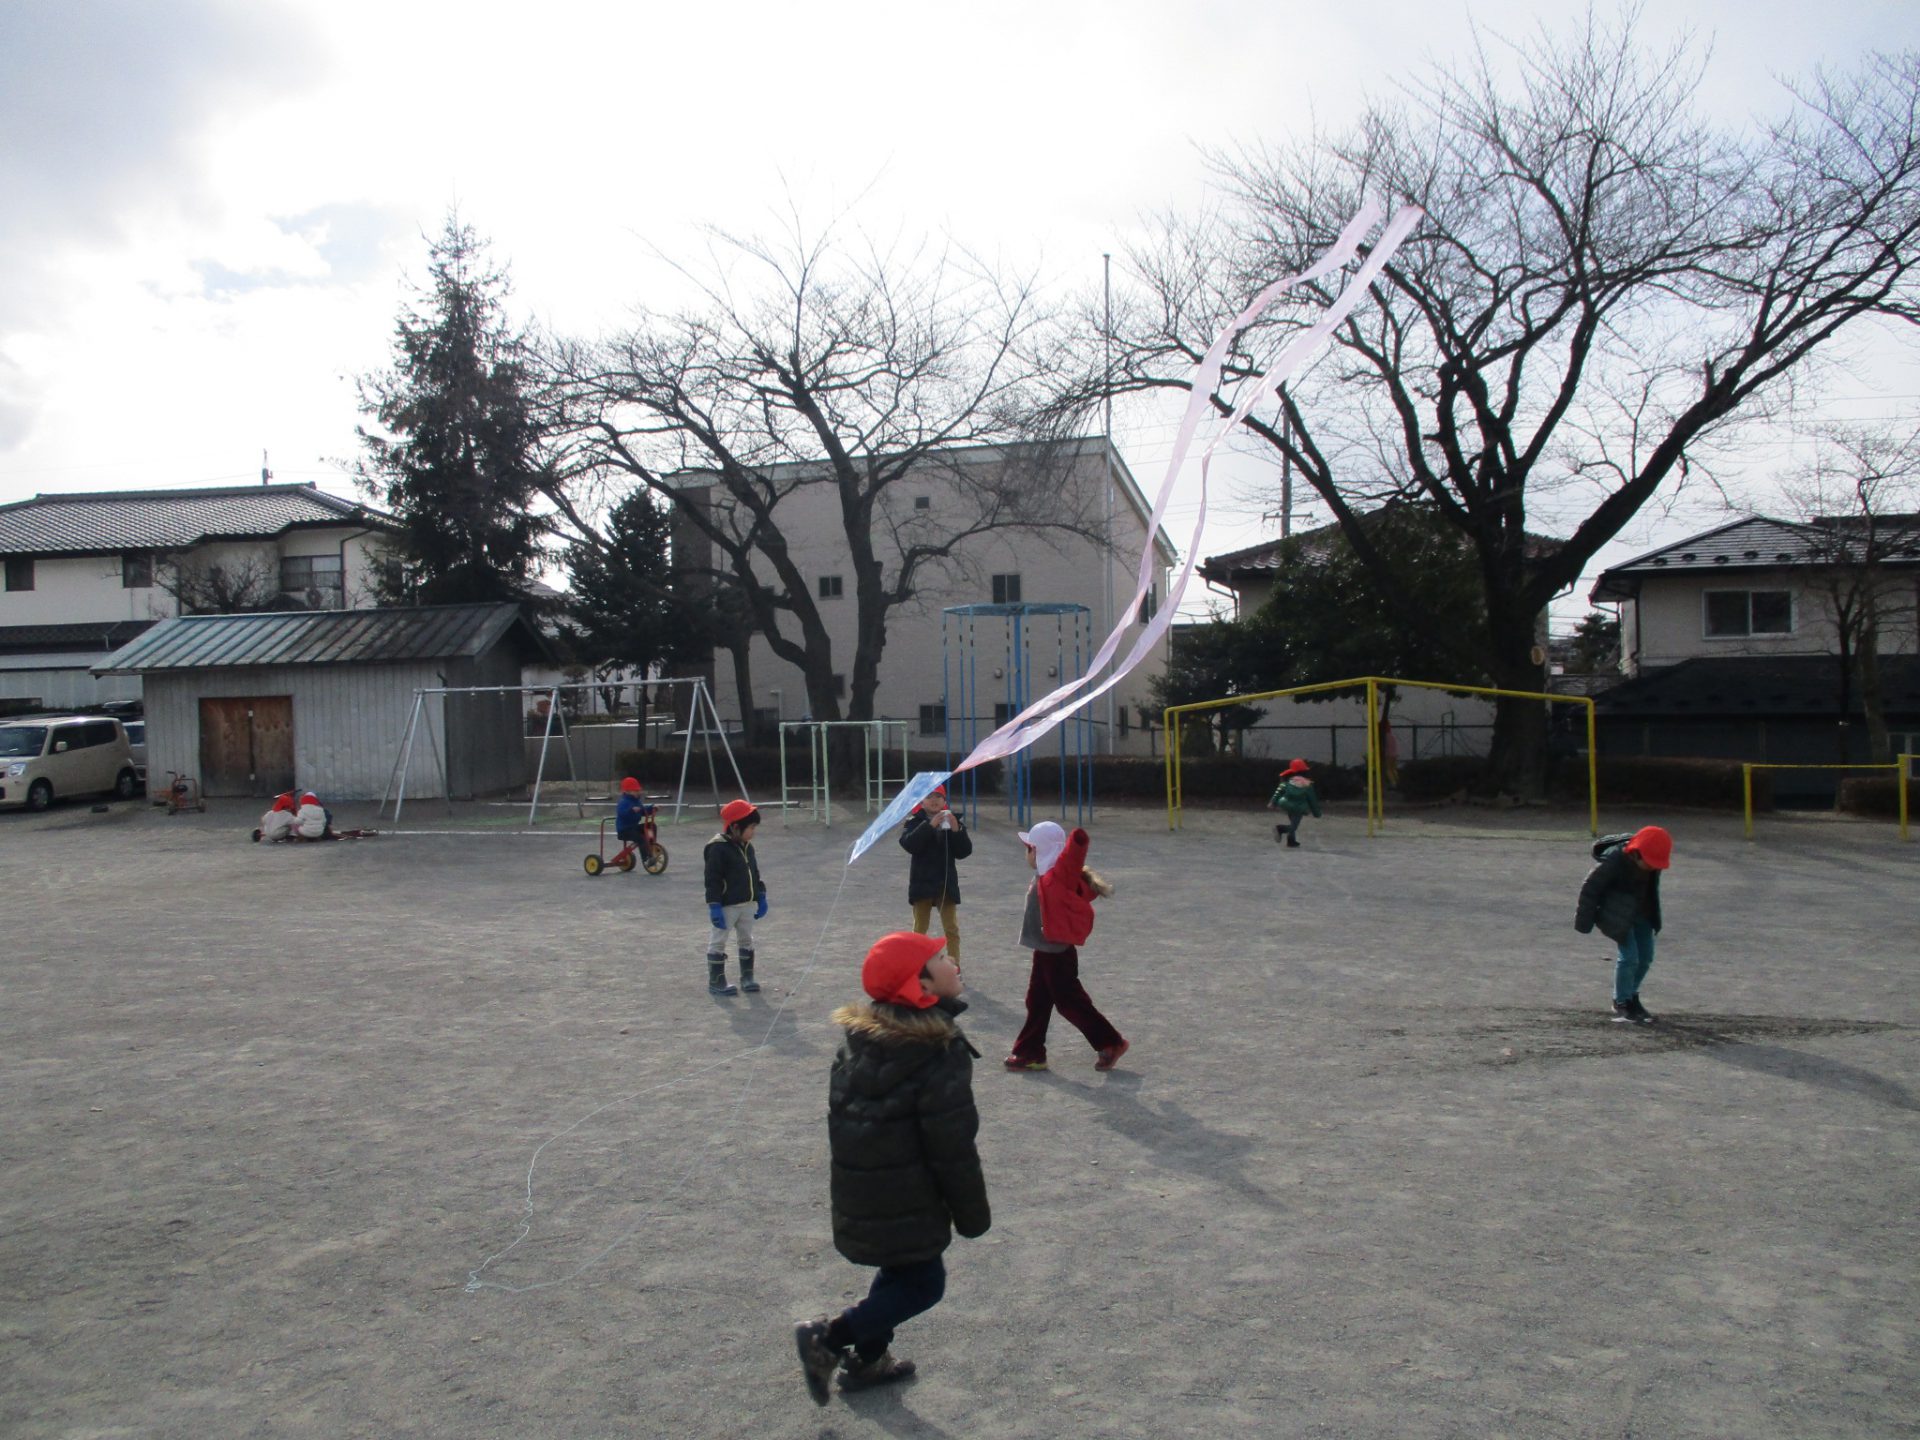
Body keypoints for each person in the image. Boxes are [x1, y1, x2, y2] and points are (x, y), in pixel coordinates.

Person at [793, 931, 989, 1404]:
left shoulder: (863, 1041)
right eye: (940, 958)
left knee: (900, 1271)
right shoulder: (937, 1050)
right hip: (909, 1190)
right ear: (920, 985)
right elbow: (952, 1144)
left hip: (867, 1185)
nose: (953, 961)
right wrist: (971, 1214)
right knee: (924, 1285)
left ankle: (869, 1359)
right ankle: (830, 1338)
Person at [1003, 820, 1127, 1073]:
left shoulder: (1060, 875)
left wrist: (1077, 840)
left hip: (1057, 953)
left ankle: (1111, 1041)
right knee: (1037, 1001)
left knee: (1069, 1002)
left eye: (1029, 848)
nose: (1026, 854)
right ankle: (1030, 1052)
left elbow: (1072, 857)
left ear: (1038, 850)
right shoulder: (1045, 873)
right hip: (1045, 950)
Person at [1575, 825, 1671, 1025]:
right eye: (1650, 863)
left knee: (1646, 957)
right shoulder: (1615, 860)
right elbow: (1591, 888)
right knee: (1629, 957)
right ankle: (1621, 1002)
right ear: (1636, 853)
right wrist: (1584, 921)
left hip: (1643, 913)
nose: (1653, 868)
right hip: (1617, 916)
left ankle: (1631, 996)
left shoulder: (1651, 865)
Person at [899, 785, 971, 964]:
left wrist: (956, 829)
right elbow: (909, 844)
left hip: (946, 884)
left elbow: (964, 852)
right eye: (929, 796)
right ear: (922, 802)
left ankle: (954, 965)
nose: (934, 800)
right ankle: (916, 964)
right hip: (922, 882)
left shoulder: (953, 820)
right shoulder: (913, 821)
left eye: (938, 796)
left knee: (951, 928)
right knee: (920, 928)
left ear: (944, 801)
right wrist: (929, 826)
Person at [703, 798, 767, 996]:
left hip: (747, 904)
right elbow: (712, 879)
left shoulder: (748, 846)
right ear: (735, 827)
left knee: (746, 939)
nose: (753, 832)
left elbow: (754, 873)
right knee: (718, 941)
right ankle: (716, 980)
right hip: (727, 906)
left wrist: (760, 895)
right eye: (751, 827)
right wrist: (714, 905)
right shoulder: (717, 848)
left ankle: (747, 977)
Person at [1267, 758, 1322, 848]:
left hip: (1286, 804)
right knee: (1293, 826)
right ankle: (1280, 829)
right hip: (1299, 807)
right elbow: (1312, 800)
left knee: (1292, 821)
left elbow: (1278, 791)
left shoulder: (1288, 782)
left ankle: (1291, 840)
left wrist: (1273, 802)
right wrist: (1317, 813)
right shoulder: (1307, 785)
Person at [615, 776, 656, 853]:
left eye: (638, 790)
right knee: (641, 839)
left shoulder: (636, 801)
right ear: (627, 792)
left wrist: (652, 808)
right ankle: (647, 858)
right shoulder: (623, 802)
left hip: (634, 827)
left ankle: (651, 845)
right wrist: (631, 811)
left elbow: (643, 811)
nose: (638, 792)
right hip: (624, 830)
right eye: (635, 791)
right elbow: (622, 813)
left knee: (651, 826)